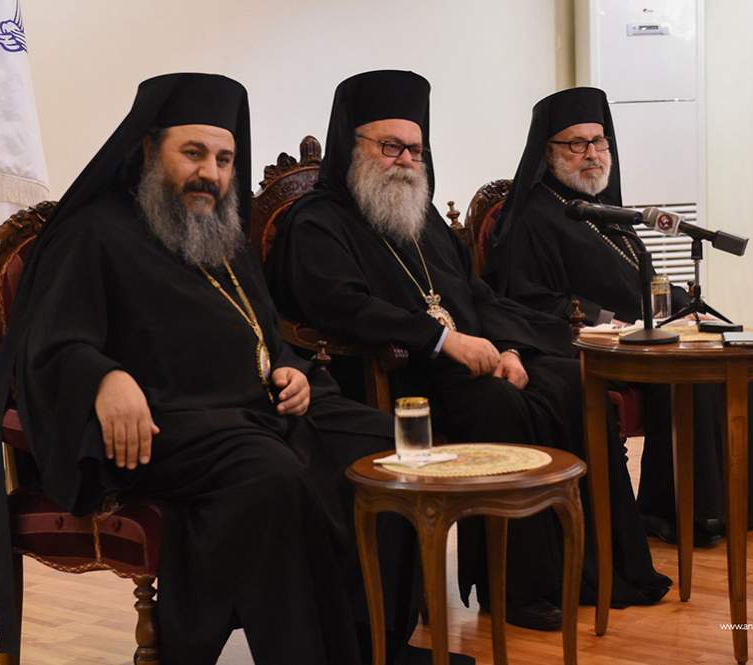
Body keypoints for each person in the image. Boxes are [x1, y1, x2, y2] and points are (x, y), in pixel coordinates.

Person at [0, 73, 445, 665]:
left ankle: (376, 643)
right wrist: (103, 377)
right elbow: (50, 342)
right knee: (269, 474)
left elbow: (264, 331)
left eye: (224, 159)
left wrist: (290, 369)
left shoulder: (220, 231)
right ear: (150, 149)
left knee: (389, 446)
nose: (212, 174)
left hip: (255, 410)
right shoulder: (93, 233)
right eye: (193, 153)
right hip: (163, 424)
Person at [268, 70, 672, 630]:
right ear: (352, 147)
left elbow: (474, 294)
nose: (406, 161)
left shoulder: (423, 217)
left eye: (415, 149)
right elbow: (343, 306)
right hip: (393, 378)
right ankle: (517, 589)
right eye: (390, 147)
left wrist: (511, 348)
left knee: (571, 381)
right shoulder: (316, 221)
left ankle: (598, 568)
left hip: (467, 364)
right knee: (498, 405)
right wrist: (444, 340)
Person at [486, 86, 753, 545]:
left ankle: (750, 503)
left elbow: (643, 280)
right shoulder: (532, 218)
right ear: (549, 151)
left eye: (599, 141)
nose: (591, 153)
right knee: (699, 374)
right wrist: (604, 320)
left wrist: (683, 309)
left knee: (746, 353)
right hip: (592, 344)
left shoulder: (604, 210)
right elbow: (525, 300)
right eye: (577, 143)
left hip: (650, 332)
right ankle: (682, 512)